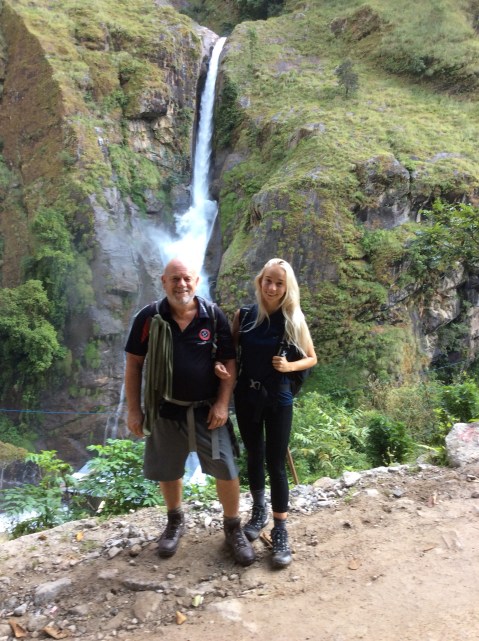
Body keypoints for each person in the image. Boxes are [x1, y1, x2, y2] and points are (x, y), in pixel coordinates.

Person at [124, 258, 255, 567]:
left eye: (186, 279)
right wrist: (134, 410)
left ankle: (233, 527)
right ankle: (175, 520)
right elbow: (134, 363)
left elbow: (229, 361)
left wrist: (222, 404)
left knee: (226, 468)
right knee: (168, 469)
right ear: (163, 282)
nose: (181, 284)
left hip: (208, 409)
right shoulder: (149, 317)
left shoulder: (213, 316)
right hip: (165, 408)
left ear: (197, 282)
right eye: (175, 279)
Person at [231, 258, 317, 568]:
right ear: (260, 281)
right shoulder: (244, 316)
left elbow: (311, 358)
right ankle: (259, 511)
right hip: (247, 395)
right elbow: (230, 354)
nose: (272, 287)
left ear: (287, 287)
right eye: (268, 280)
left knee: (276, 463)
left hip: (279, 398)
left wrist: (289, 366)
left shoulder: (293, 318)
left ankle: (280, 530)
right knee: (254, 455)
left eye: (279, 283)